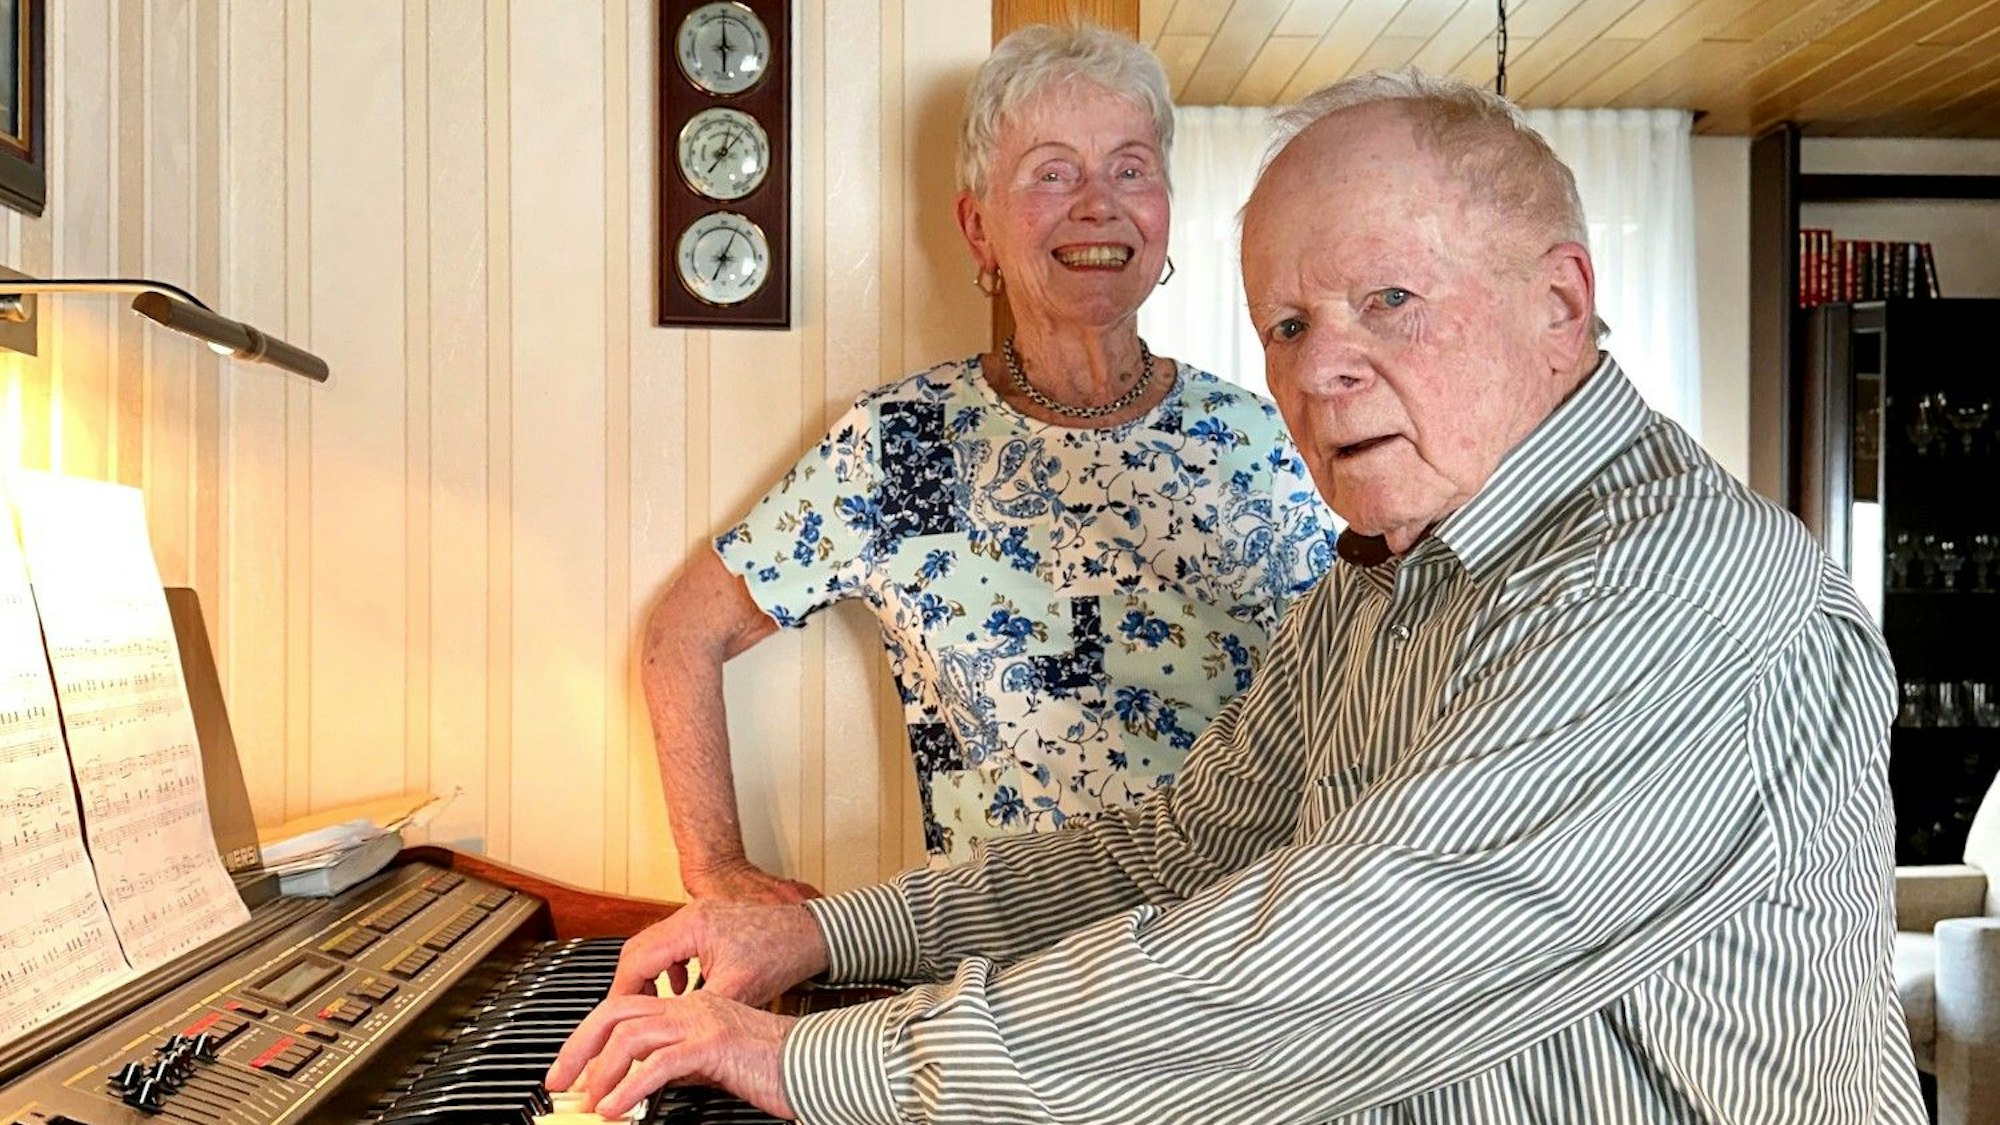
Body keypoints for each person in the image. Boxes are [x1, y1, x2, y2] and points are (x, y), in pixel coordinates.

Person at [549, 70, 1927, 1123]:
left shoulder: (1665, 583)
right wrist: (820, 928)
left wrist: (827, 1063)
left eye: (1391, 297)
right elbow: (1175, 852)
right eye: (1288, 323)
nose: (1324, 370)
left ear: (1562, 300)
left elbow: (1331, 959)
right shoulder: (1393, 568)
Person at [652, 23, 1334, 901]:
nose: (1099, 203)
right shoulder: (902, 444)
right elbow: (682, 636)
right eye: (1052, 173)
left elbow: (1353, 686)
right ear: (979, 228)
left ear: (1165, 207)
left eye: (1131, 168)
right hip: (1000, 985)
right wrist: (717, 874)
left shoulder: (1260, 436)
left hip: (1235, 966)